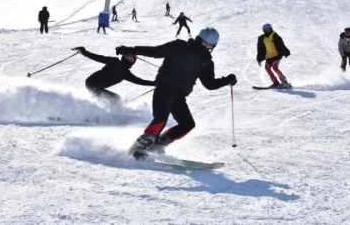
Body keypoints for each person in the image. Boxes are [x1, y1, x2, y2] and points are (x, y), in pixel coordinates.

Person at [115, 27, 237, 160]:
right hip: (164, 89)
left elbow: (209, 84)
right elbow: (155, 51)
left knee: (187, 124)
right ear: (198, 39)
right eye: (204, 42)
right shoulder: (179, 46)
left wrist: (227, 80)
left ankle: (156, 145)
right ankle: (138, 147)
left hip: (179, 96)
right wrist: (132, 50)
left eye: (210, 44)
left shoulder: (207, 62)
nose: (206, 46)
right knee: (161, 119)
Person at [72, 46, 156, 107]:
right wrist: (84, 52)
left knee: (116, 98)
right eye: (129, 57)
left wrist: (156, 83)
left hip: (98, 86)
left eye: (133, 59)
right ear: (125, 56)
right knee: (108, 97)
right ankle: (84, 111)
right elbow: (98, 58)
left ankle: (107, 112)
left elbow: (139, 81)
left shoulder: (126, 73)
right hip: (92, 82)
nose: (131, 59)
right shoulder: (115, 61)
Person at [256, 23, 291, 88]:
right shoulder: (262, 38)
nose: (267, 31)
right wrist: (259, 59)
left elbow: (281, 45)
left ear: (271, 29)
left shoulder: (275, 36)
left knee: (275, 67)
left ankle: (285, 82)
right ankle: (276, 83)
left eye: (268, 29)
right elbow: (260, 49)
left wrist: (285, 52)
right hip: (268, 57)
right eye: (265, 30)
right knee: (267, 68)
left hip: (276, 56)